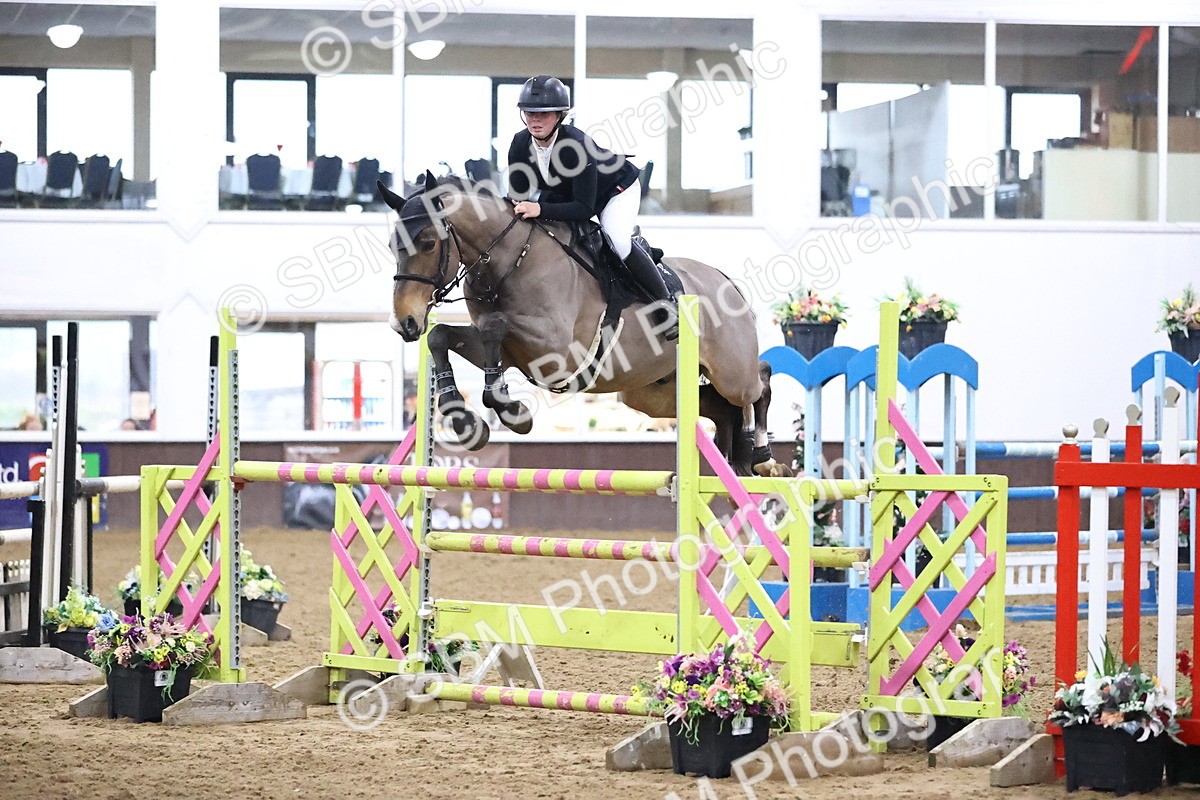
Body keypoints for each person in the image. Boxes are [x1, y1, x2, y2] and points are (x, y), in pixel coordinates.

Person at [506, 75, 677, 340]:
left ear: (560, 115)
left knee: (617, 240)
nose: (535, 120)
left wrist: (540, 209)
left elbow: (585, 209)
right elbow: (516, 197)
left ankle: (667, 305)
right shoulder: (519, 144)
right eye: (529, 112)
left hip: (615, 190)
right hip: (567, 193)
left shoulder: (576, 144)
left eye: (544, 113)